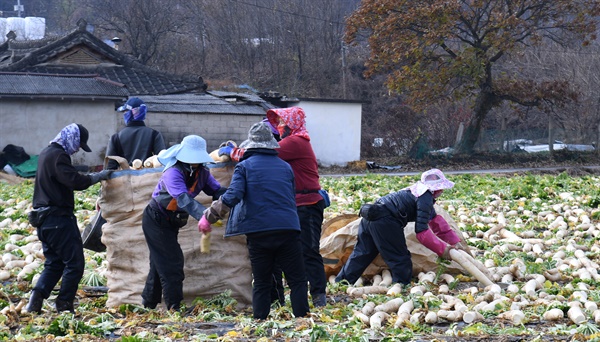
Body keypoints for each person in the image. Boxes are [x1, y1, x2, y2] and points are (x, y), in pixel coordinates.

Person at [219, 107, 328, 307]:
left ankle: (319, 295)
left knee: (308, 251)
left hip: (307, 204)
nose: (279, 127)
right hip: (294, 204)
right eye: (277, 123)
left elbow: (256, 155)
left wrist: (233, 152)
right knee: (291, 254)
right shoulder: (292, 142)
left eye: (282, 123)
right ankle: (284, 299)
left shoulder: (296, 142)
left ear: (292, 124)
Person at [201, 122, 310, 320]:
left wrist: (210, 215)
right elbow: (290, 196)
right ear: (270, 145)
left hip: (259, 231)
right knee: (297, 280)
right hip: (288, 228)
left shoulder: (244, 167)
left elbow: (233, 195)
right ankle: (301, 320)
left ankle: (260, 320)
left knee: (261, 280)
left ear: (251, 146)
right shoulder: (286, 167)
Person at [26, 123, 113, 314]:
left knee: (54, 263)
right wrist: (97, 177)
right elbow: (74, 181)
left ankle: (35, 299)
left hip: (44, 221)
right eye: (78, 144)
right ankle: (64, 304)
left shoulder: (46, 153)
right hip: (58, 219)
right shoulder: (58, 156)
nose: (77, 149)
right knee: (75, 264)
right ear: (70, 138)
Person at [335, 168, 466, 286]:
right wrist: (443, 250)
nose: (441, 191)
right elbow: (422, 232)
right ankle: (401, 285)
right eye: (441, 189)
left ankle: (341, 283)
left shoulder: (415, 192)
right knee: (399, 257)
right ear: (436, 189)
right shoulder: (425, 197)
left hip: (370, 216)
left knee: (362, 253)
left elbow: (435, 221)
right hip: (385, 220)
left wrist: (455, 242)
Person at [141, 135, 225, 311]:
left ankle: (148, 304)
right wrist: (204, 216)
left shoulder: (203, 173)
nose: (194, 163)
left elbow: (216, 190)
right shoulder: (173, 172)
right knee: (173, 262)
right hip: (156, 219)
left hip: (172, 222)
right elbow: (182, 199)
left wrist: (232, 197)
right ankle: (174, 306)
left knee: (159, 263)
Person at [106, 97, 166, 170]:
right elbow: (161, 162)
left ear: (130, 113)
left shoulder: (116, 138)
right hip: (149, 179)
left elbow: (109, 168)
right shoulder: (154, 134)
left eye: (125, 112)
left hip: (124, 180)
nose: (124, 114)